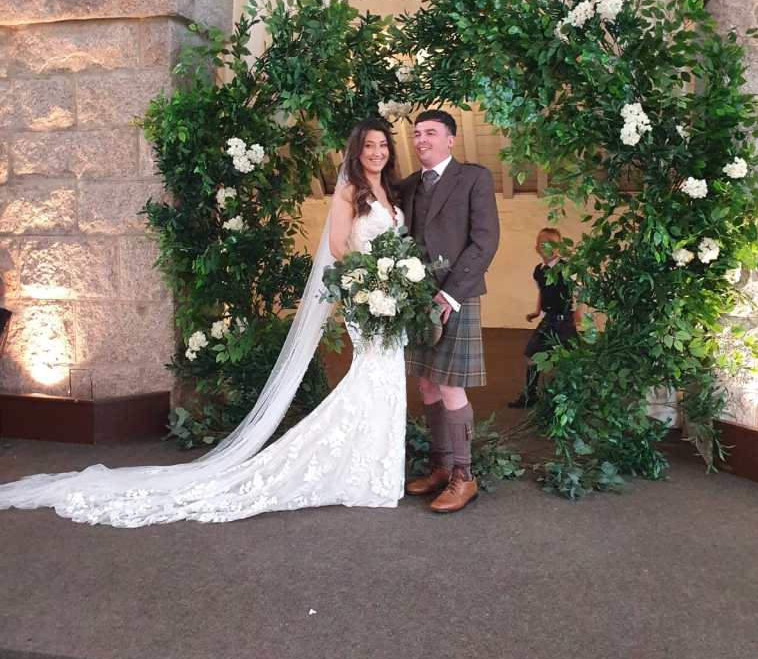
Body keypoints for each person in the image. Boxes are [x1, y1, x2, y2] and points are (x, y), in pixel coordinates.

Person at [0, 118, 409, 526]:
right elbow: (338, 247)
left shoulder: (387, 191)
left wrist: (396, 277)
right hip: (365, 296)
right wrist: (375, 278)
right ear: (356, 152)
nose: (377, 152)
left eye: (382, 145)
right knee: (376, 375)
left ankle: (372, 468)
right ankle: (359, 469)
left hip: (387, 296)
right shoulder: (349, 192)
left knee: (385, 379)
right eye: (369, 145)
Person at [398, 110, 500, 513]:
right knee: (426, 384)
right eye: (416, 133)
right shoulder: (408, 185)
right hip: (417, 300)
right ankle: (439, 466)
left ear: (451, 139)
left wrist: (449, 296)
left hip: (456, 296)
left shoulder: (474, 178)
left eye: (430, 133)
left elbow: (485, 241)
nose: (421, 139)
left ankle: (464, 475)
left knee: (450, 386)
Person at [508, 227, 579, 409]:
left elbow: (579, 292)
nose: (546, 247)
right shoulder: (539, 271)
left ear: (559, 247)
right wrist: (537, 310)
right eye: (542, 243)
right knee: (531, 355)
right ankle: (530, 396)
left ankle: (572, 398)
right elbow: (542, 292)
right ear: (537, 248)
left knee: (570, 359)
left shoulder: (567, 268)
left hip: (565, 320)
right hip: (549, 318)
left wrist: (577, 315)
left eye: (551, 243)